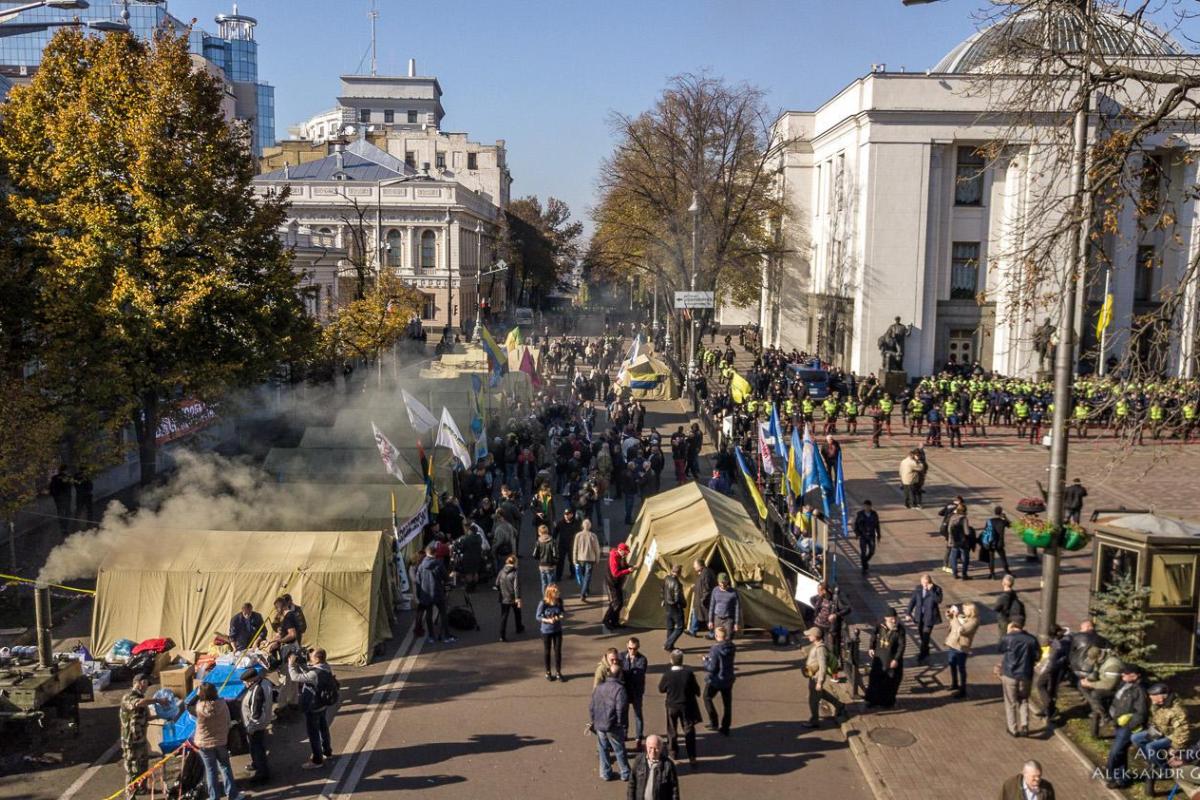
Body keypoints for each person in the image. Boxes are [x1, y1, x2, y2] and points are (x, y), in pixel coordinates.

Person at [1133, 683, 1193, 796]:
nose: (1151, 698)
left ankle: (1165, 770)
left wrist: (1175, 747)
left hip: (1172, 736)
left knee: (1150, 747)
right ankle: (1152, 760)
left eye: (1153, 696)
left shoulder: (1178, 710)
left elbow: (1183, 731)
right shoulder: (1159, 704)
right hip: (1160, 731)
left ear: (1161, 696)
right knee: (1136, 738)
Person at [192, 682, 243, 799]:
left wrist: (197, 695)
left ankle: (214, 797)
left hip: (204, 744)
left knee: (210, 770)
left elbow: (188, 705)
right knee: (225, 767)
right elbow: (228, 721)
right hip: (220, 741)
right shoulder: (222, 704)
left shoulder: (199, 708)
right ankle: (232, 794)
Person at [288, 648, 336, 769]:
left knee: (313, 734)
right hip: (323, 704)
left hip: (313, 706)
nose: (309, 658)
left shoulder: (315, 674)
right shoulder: (326, 667)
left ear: (317, 658)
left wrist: (291, 665)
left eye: (311, 656)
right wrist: (302, 665)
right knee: (323, 729)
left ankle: (317, 760)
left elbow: (295, 677)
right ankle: (327, 752)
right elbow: (310, 673)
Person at [1102, 663, 1148, 789]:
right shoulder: (1124, 684)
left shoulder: (1139, 690)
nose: (1123, 675)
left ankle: (1110, 773)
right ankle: (1121, 779)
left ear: (1135, 676)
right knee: (1120, 752)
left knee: (1115, 752)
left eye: (1126, 673)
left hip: (1127, 727)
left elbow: (1141, 713)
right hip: (1118, 723)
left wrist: (1128, 725)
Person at [658, 649, 701, 768]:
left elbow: (661, 689)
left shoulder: (667, 675)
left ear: (671, 660)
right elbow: (696, 689)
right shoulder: (688, 674)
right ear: (682, 660)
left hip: (672, 705)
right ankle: (692, 756)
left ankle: (673, 753)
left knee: (672, 730)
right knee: (689, 730)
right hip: (686, 706)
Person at [590, 662, 631, 782]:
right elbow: (621, 708)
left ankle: (605, 773)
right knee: (619, 749)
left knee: (603, 748)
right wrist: (621, 723)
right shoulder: (619, 689)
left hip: (599, 724)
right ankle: (625, 772)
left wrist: (594, 720)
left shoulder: (599, 687)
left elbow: (592, 706)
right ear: (620, 674)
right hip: (613, 725)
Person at [998, 620, 1038, 737]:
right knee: (1024, 699)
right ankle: (1025, 725)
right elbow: (1037, 656)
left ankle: (1013, 729)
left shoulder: (1008, 638)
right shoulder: (1032, 639)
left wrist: (1007, 633)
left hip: (1010, 674)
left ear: (1011, 627)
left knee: (1010, 702)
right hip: (1026, 675)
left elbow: (999, 649)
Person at [801, 627, 846, 729]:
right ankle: (840, 705)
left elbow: (823, 666)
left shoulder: (820, 649)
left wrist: (820, 682)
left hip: (816, 678)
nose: (808, 636)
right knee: (821, 694)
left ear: (816, 636)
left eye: (810, 635)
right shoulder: (817, 646)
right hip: (813, 676)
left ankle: (814, 721)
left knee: (813, 700)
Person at [120, 673, 155, 796]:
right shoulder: (129, 697)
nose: (147, 687)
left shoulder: (142, 699)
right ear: (139, 683)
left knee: (143, 765)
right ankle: (130, 795)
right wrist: (158, 700)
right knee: (132, 768)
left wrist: (164, 715)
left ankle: (141, 789)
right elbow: (138, 703)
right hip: (131, 741)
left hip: (141, 739)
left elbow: (147, 717)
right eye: (145, 683)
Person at [1079, 646, 1124, 738]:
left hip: (1115, 689)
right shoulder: (1100, 660)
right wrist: (1088, 679)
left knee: (1095, 695)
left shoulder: (1113, 665)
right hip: (1103, 683)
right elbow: (1097, 672)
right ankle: (1097, 708)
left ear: (1099, 657)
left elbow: (1109, 685)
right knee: (1081, 685)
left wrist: (1090, 684)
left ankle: (1105, 716)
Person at [415, 544, 456, 645]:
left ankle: (431, 636)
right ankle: (446, 636)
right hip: (437, 592)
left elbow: (418, 582)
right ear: (435, 553)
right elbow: (446, 579)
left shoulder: (421, 566)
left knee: (429, 615)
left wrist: (419, 595)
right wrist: (450, 576)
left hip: (426, 594)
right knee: (443, 613)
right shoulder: (439, 564)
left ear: (426, 553)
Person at [865, 609, 906, 708]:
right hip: (879, 658)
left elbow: (901, 646)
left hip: (891, 660)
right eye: (891, 619)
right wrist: (871, 647)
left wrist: (896, 659)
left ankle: (887, 702)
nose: (894, 621)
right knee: (875, 681)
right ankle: (872, 700)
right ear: (886, 618)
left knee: (889, 683)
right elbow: (873, 634)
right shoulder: (880, 626)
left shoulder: (900, 630)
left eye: (895, 618)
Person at [240, 668, 273, 785]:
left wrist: (251, 728)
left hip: (256, 726)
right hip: (263, 721)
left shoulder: (257, 691)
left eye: (246, 682)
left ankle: (262, 774)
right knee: (255, 747)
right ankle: (256, 764)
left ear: (251, 680)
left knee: (257, 748)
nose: (245, 684)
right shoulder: (266, 682)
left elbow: (256, 714)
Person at [702, 627, 735, 736]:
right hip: (728, 678)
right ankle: (725, 727)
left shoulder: (715, 649)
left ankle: (714, 721)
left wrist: (705, 661)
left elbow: (712, 668)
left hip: (716, 680)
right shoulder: (732, 646)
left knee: (707, 697)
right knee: (727, 704)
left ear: (716, 636)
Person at [626, 734, 680, 800]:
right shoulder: (639, 760)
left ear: (661, 748)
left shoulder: (668, 765)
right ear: (646, 747)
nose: (653, 751)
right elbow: (632, 783)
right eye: (650, 748)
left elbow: (674, 789)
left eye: (656, 748)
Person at [905, 573, 943, 663]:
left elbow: (938, 600)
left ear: (930, 582)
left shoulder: (937, 589)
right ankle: (926, 649)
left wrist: (931, 590)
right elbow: (912, 601)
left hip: (930, 617)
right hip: (920, 616)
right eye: (923, 583)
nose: (924, 585)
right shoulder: (918, 588)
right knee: (921, 635)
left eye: (926, 583)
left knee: (926, 635)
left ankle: (922, 654)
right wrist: (908, 613)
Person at [944, 602, 979, 698]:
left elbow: (962, 630)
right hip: (953, 644)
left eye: (965, 609)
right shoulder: (963, 617)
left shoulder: (973, 621)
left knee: (961, 668)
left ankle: (962, 690)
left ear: (971, 611)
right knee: (952, 664)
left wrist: (955, 618)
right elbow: (952, 621)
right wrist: (950, 614)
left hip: (961, 647)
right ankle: (954, 683)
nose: (963, 610)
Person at [620, 637, 649, 750]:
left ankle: (638, 738)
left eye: (635, 649)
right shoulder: (621, 656)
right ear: (627, 646)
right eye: (630, 648)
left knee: (638, 715)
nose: (632, 651)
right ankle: (624, 733)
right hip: (624, 691)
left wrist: (625, 673)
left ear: (638, 648)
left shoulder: (642, 659)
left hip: (636, 691)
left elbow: (638, 675)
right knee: (624, 713)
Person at [536, 583, 566, 681]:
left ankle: (558, 672)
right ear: (550, 593)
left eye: (558, 591)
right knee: (547, 651)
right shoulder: (543, 603)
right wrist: (547, 620)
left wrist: (559, 617)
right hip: (546, 631)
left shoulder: (559, 601)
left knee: (558, 651)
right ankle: (548, 672)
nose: (558, 593)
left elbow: (562, 612)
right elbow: (538, 616)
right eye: (556, 592)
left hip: (557, 630)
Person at [604, 543, 633, 633]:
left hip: (616, 583)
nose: (626, 554)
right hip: (612, 583)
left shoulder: (620, 556)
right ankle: (606, 621)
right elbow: (615, 573)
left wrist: (628, 567)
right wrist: (627, 571)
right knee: (615, 603)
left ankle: (615, 622)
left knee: (619, 603)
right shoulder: (614, 557)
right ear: (620, 550)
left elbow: (623, 566)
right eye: (625, 552)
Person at [495, 554, 524, 642]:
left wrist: (501, 590)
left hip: (503, 597)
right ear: (514, 563)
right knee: (517, 612)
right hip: (512, 597)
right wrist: (518, 598)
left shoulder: (501, 571)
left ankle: (502, 635)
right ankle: (519, 627)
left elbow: (497, 584)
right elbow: (516, 587)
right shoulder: (515, 573)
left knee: (504, 616)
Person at [573, 519, 602, 602]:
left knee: (582, 576)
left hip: (580, 559)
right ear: (590, 526)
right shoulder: (593, 536)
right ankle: (583, 593)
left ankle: (585, 589)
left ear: (582, 526)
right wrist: (597, 559)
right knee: (587, 576)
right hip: (590, 559)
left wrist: (574, 559)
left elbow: (575, 548)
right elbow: (597, 549)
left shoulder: (578, 535)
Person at [707, 572, 741, 640]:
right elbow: (712, 606)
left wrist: (736, 623)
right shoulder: (715, 590)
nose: (722, 584)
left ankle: (728, 646)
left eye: (724, 582)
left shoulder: (733, 592)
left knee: (728, 638)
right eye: (721, 582)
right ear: (718, 582)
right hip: (717, 618)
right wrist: (710, 620)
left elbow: (737, 608)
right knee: (719, 638)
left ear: (727, 581)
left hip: (728, 619)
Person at [991, 574, 1026, 639]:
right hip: (1016, 619)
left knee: (1004, 638)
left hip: (1006, 620)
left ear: (1003, 583)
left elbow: (996, 608)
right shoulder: (1014, 593)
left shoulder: (1003, 596)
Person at [661, 564, 686, 652]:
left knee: (670, 627)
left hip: (667, 605)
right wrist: (683, 604)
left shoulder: (666, 578)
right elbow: (678, 598)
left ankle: (670, 646)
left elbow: (662, 590)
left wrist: (663, 600)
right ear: (679, 573)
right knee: (680, 627)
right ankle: (668, 644)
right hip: (675, 607)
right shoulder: (676, 583)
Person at [553, 507, 582, 583]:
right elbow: (555, 533)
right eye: (565, 514)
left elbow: (580, 534)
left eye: (568, 514)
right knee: (560, 561)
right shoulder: (560, 523)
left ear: (571, 515)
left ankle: (573, 574)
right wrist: (553, 540)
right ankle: (558, 576)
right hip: (562, 545)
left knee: (572, 560)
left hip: (572, 545)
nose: (566, 516)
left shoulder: (576, 523)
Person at [982, 506, 1012, 579]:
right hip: (999, 542)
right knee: (1003, 558)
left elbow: (985, 530)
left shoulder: (990, 521)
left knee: (991, 558)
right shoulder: (1002, 521)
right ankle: (1007, 572)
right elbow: (1010, 525)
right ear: (1001, 512)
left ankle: (992, 574)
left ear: (994, 512)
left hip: (991, 542)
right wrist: (1005, 517)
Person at [688, 559, 715, 637]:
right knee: (696, 613)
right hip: (699, 599)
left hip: (704, 600)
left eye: (695, 565)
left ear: (699, 565)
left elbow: (707, 588)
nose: (694, 567)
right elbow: (701, 585)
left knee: (707, 617)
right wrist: (695, 587)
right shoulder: (702, 573)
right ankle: (693, 630)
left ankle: (712, 633)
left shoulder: (706, 573)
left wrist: (703, 599)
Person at [853, 500, 881, 574]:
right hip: (863, 535)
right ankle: (864, 567)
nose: (866, 508)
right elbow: (855, 524)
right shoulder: (860, 514)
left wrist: (878, 535)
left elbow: (877, 525)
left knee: (872, 551)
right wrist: (857, 533)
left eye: (868, 506)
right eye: (865, 506)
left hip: (871, 535)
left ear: (870, 507)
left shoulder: (874, 514)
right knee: (863, 551)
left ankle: (865, 561)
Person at [532, 524, 559, 595]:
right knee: (551, 584)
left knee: (544, 583)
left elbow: (535, 555)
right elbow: (555, 554)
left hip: (542, 565)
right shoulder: (552, 541)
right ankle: (551, 597)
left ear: (539, 532)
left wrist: (540, 558)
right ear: (547, 531)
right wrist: (555, 562)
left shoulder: (538, 542)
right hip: (550, 565)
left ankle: (545, 597)